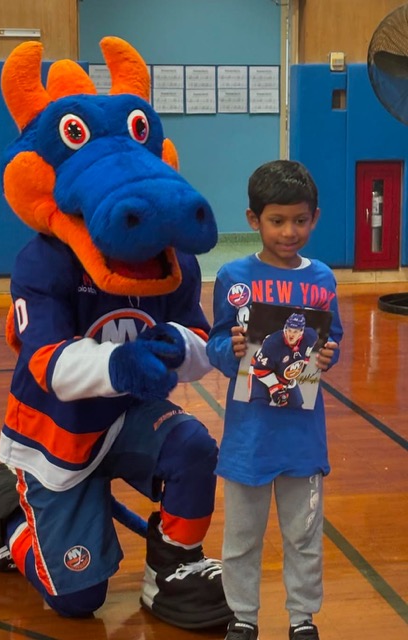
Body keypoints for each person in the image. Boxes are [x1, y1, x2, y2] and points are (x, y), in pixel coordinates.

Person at [0, 36, 232, 631]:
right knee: (77, 600)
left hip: (130, 418)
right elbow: (50, 366)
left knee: (194, 445)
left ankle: (173, 568)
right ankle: (0, 506)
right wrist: (121, 365)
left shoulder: (174, 263)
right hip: (55, 434)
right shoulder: (43, 263)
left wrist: (183, 350)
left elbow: (195, 337)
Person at [206, 159, 343, 640]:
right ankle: (242, 616)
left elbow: (334, 342)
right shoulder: (233, 277)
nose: (290, 231)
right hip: (248, 439)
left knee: (303, 536)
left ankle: (302, 618)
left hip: (302, 439)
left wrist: (328, 354)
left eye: (300, 220)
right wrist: (232, 350)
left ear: (315, 217)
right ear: (253, 220)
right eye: (277, 220)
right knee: (241, 538)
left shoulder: (323, 279)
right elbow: (216, 343)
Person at [248, 312, 319, 408]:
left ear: (301, 332)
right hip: (262, 371)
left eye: (295, 331)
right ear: (285, 328)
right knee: (258, 406)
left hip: (283, 374)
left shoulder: (310, 336)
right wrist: (275, 388)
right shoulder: (272, 343)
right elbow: (260, 369)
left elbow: (308, 349)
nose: (291, 335)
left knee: (297, 409)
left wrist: (304, 360)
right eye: (289, 330)